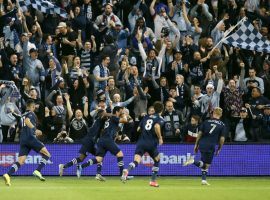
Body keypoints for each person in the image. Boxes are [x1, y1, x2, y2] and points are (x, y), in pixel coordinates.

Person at [3, 100, 51, 186]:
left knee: (21, 161)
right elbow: (27, 121)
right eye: (34, 107)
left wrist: (12, 111)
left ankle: (8, 174)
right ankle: (37, 171)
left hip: (23, 140)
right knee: (47, 154)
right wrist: (35, 129)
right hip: (30, 138)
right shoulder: (31, 114)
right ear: (32, 107)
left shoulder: (22, 115)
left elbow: (17, 118)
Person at [77, 106, 128, 180]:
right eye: (121, 111)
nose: (122, 112)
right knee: (120, 154)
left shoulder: (109, 118)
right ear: (117, 112)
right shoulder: (114, 117)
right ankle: (122, 176)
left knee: (98, 159)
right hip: (107, 139)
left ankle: (81, 166)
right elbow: (125, 120)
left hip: (101, 140)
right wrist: (123, 114)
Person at [121, 101, 165, 187]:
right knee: (157, 160)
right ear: (162, 110)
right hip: (151, 143)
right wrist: (160, 138)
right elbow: (156, 126)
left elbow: (138, 129)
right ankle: (153, 180)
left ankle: (127, 170)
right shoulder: (160, 118)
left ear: (154, 109)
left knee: (136, 161)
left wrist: (146, 131)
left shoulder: (146, 117)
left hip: (141, 142)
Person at [58, 109, 108, 181]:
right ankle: (94, 172)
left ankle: (64, 166)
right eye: (104, 114)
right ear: (101, 115)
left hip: (90, 141)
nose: (106, 115)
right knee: (99, 157)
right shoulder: (99, 120)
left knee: (82, 158)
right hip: (90, 141)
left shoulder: (100, 122)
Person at [183, 107, 226, 186]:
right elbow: (222, 138)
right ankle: (193, 161)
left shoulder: (206, 122)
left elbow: (199, 134)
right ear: (221, 115)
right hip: (211, 145)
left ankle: (203, 180)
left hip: (202, 144)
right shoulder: (222, 125)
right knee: (207, 165)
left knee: (203, 162)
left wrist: (196, 144)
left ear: (213, 113)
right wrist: (219, 148)